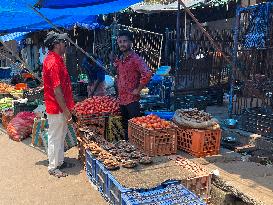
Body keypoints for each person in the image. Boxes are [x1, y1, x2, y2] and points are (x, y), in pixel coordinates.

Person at [43, 31, 75, 178]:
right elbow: (57, 91)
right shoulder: (53, 62)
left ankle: (59, 162)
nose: (65, 45)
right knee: (55, 136)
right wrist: (66, 111)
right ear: (56, 44)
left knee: (60, 135)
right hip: (56, 107)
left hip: (60, 106)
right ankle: (53, 167)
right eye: (63, 42)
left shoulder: (56, 59)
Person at [113, 30, 152, 140]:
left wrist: (138, 89)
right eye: (120, 42)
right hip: (121, 99)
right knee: (125, 127)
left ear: (130, 43)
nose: (122, 44)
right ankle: (127, 149)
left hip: (132, 100)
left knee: (135, 128)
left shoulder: (136, 59)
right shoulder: (119, 59)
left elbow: (147, 73)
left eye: (125, 41)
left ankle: (137, 149)